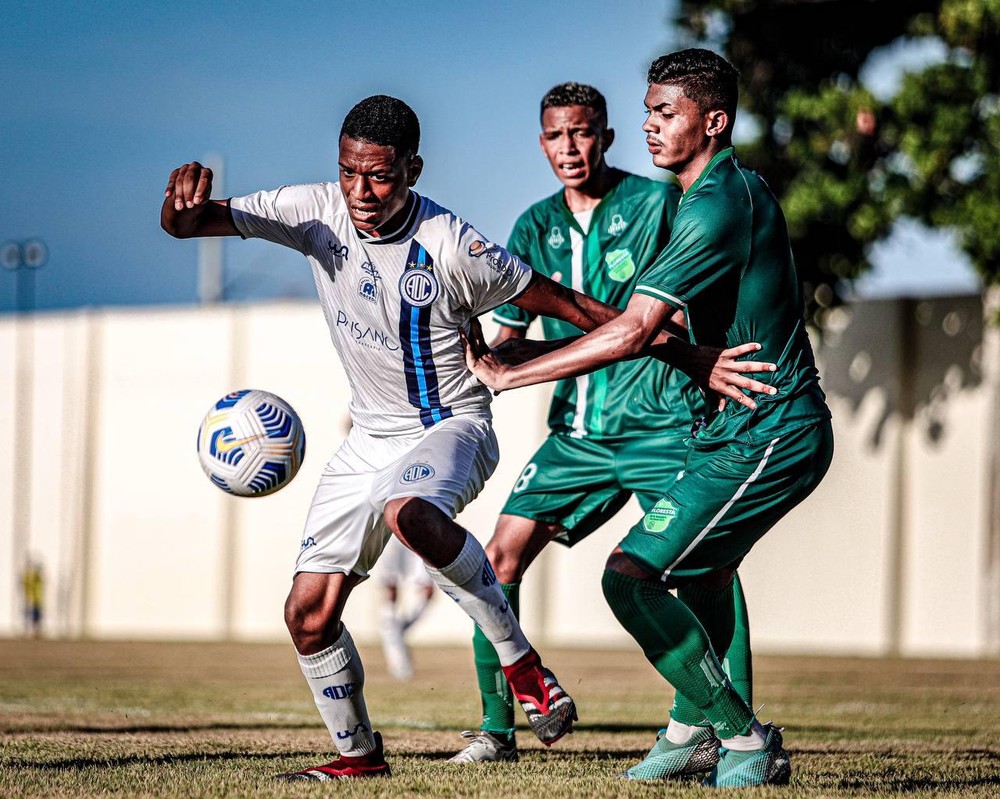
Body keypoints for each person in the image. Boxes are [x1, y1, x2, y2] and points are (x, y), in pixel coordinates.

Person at [161, 95, 594, 780]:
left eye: (381, 176)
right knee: (307, 614)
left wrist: (666, 342)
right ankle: (359, 756)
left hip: (451, 424)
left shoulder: (454, 245)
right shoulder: (316, 210)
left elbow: (568, 306)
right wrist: (177, 208)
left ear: (413, 169)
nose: (361, 192)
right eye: (349, 172)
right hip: (368, 439)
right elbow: (189, 227)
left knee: (409, 511)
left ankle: (525, 667)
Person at [464, 50, 834, 788]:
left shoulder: (711, 203)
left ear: (714, 121)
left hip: (767, 429)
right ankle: (687, 728)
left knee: (635, 576)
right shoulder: (712, 194)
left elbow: (634, 328)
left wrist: (511, 373)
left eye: (665, 113)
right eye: (649, 111)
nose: (650, 125)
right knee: (670, 569)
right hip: (707, 430)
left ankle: (742, 737)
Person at [449, 82, 754, 768]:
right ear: (542, 143)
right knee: (494, 561)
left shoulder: (655, 203)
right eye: (557, 136)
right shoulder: (533, 226)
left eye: (583, 133)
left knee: (707, 566)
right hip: (578, 437)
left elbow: (676, 313)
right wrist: (473, 351)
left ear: (607, 136)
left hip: (660, 422)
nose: (570, 148)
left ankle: (730, 729)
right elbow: (511, 338)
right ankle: (496, 731)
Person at [375, 535, 435, 680]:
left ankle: (395, 634)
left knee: (427, 590)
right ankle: (399, 664)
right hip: (389, 531)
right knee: (391, 589)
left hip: (418, 528)